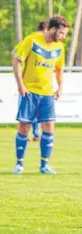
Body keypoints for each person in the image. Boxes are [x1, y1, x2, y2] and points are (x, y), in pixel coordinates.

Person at [12, 15, 70, 174]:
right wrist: (20, 85)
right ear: (52, 29)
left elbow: (59, 69)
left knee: (49, 128)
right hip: (29, 92)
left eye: (65, 34)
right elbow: (17, 60)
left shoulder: (59, 47)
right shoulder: (32, 39)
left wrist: (59, 87)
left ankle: (44, 165)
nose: (63, 37)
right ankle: (19, 164)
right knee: (24, 127)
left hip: (47, 94)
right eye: (62, 33)